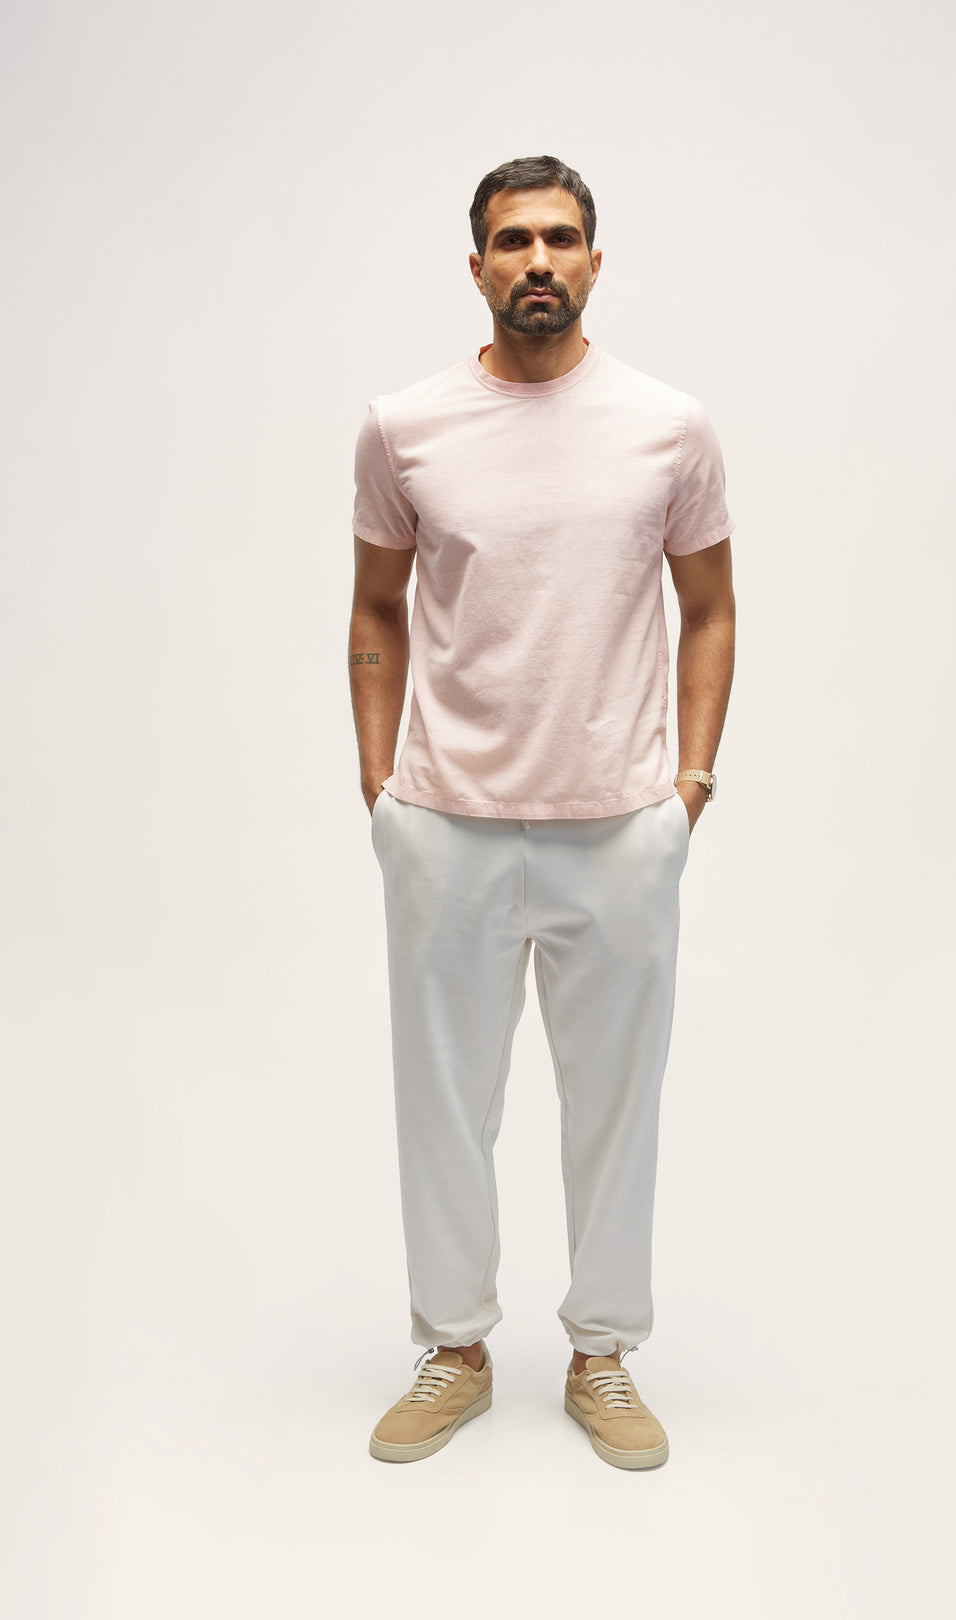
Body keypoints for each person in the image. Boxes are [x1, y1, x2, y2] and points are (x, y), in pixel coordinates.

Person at [349, 155, 736, 1470]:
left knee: (616, 1104)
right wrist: (380, 787)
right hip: (445, 821)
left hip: (619, 824)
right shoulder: (405, 426)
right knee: (442, 1102)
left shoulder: (668, 426)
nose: (538, 261)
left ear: (594, 261)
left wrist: (688, 788)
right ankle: (452, 1348)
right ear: (476, 266)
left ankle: (601, 1353)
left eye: (561, 239)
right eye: (513, 240)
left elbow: (710, 609)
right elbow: (375, 608)